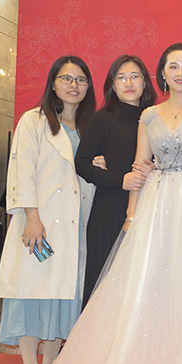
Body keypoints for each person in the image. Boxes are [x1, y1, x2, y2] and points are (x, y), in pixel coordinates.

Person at [51, 43, 182, 364]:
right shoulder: (145, 115)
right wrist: (131, 213)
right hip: (151, 199)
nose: (180, 73)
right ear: (162, 74)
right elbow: (138, 164)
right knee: (145, 276)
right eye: (173, 67)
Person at [0, 56, 96, 364]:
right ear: (53, 83)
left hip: (76, 223)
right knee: (32, 292)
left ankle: (51, 362)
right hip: (40, 221)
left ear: (88, 86)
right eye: (66, 78)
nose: (73, 85)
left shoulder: (91, 126)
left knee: (63, 294)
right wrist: (32, 218)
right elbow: (22, 171)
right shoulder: (34, 120)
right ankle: (30, 363)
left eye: (80, 79)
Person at [75, 54, 157, 308]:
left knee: (140, 286)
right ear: (112, 84)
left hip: (149, 207)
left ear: (145, 82)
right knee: (104, 286)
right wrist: (120, 180)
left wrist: (155, 169)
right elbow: (82, 164)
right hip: (109, 210)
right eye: (121, 78)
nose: (128, 83)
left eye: (134, 77)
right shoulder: (102, 119)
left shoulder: (157, 119)